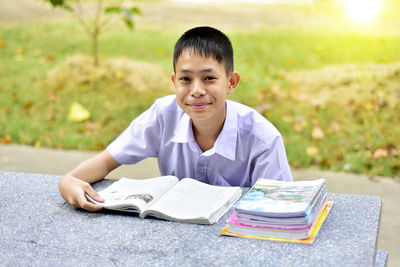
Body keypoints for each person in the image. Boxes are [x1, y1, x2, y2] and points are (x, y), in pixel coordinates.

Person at [59, 26, 293, 211]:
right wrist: (69, 181)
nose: (197, 90)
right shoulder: (163, 115)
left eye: (209, 78)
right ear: (174, 82)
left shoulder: (262, 139)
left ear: (231, 82)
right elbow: (107, 161)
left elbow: (280, 209)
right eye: (185, 79)